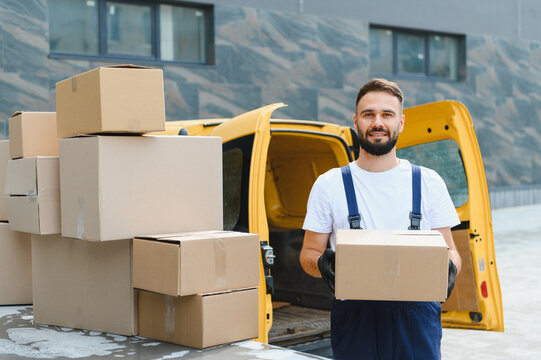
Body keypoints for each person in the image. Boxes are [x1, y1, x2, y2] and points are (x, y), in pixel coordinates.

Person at [299, 78, 462, 360]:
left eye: (387, 114)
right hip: (355, 320)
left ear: (401, 122)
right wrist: (323, 264)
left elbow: (452, 251)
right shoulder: (329, 184)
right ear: (355, 121)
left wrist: (449, 269)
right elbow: (308, 254)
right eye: (368, 114)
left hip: (416, 319)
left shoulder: (428, 182)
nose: (378, 122)